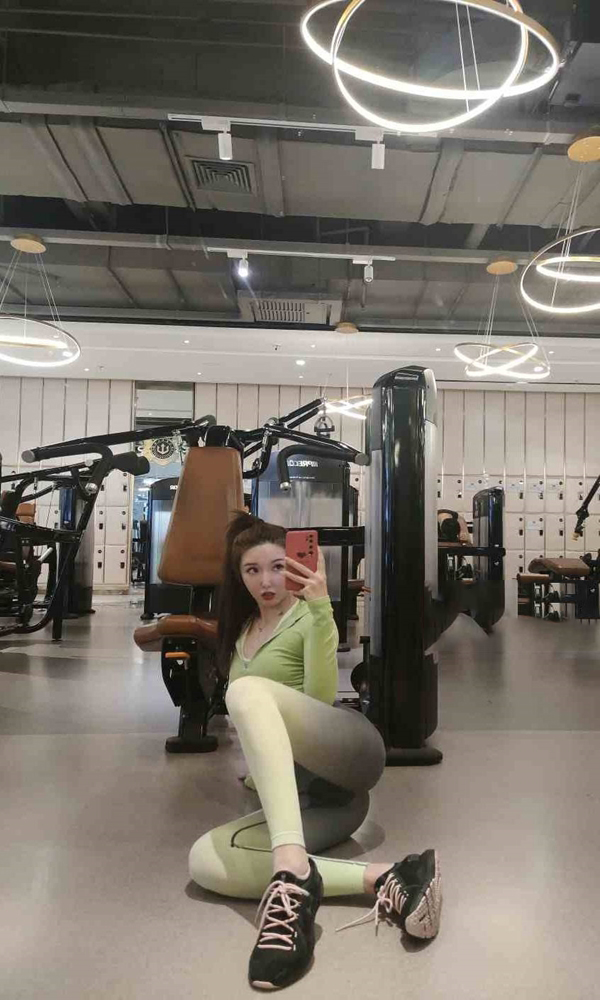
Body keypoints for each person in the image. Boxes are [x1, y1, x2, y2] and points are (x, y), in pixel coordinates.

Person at [189, 512, 442, 991]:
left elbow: (320, 700)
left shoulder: (307, 616)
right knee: (204, 860)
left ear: (295, 566)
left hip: (350, 752)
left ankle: (289, 870)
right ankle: (388, 876)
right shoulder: (242, 630)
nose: (267, 581)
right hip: (326, 802)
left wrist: (323, 607)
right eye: (252, 570)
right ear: (239, 577)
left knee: (244, 692)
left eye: (277, 567)